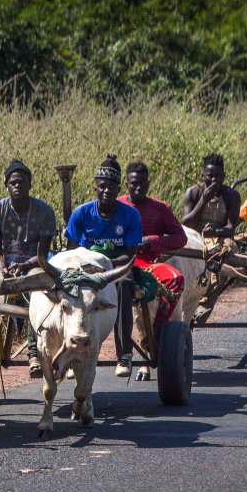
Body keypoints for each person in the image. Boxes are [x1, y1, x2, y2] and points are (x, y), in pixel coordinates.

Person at [64, 153, 143, 376]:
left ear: (119, 190)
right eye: (102, 186)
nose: (107, 191)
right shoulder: (81, 213)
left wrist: (104, 267)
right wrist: (87, 269)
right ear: (95, 188)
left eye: (112, 187)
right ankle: (69, 356)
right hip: (82, 269)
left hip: (116, 270)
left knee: (125, 286)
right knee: (67, 294)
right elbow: (71, 252)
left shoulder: (131, 215)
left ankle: (124, 356)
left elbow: (129, 256)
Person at [0, 159, 57, 378]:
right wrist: (3, 268)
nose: (17, 186)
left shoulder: (44, 212)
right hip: (6, 264)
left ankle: (33, 353)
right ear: (6, 185)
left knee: (35, 292)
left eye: (22, 182)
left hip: (34, 263)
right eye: (13, 182)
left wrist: (25, 265)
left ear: (30, 185)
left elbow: (43, 255)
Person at [118, 162, 187, 377]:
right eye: (134, 184)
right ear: (126, 184)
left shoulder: (160, 208)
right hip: (120, 265)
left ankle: (156, 331)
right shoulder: (116, 206)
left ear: (148, 183)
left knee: (176, 279)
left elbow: (180, 238)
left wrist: (153, 241)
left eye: (142, 184)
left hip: (149, 265)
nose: (138, 189)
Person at [181, 153, 241, 325]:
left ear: (223, 176)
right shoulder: (193, 193)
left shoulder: (232, 196)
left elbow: (230, 228)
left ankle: (203, 306)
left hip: (221, 239)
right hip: (195, 237)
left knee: (223, 259)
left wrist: (215, 231)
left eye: (217, 176)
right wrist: (204, 199)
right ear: (203, 175)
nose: (214, 179)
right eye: (210, 176)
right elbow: (186, 223)